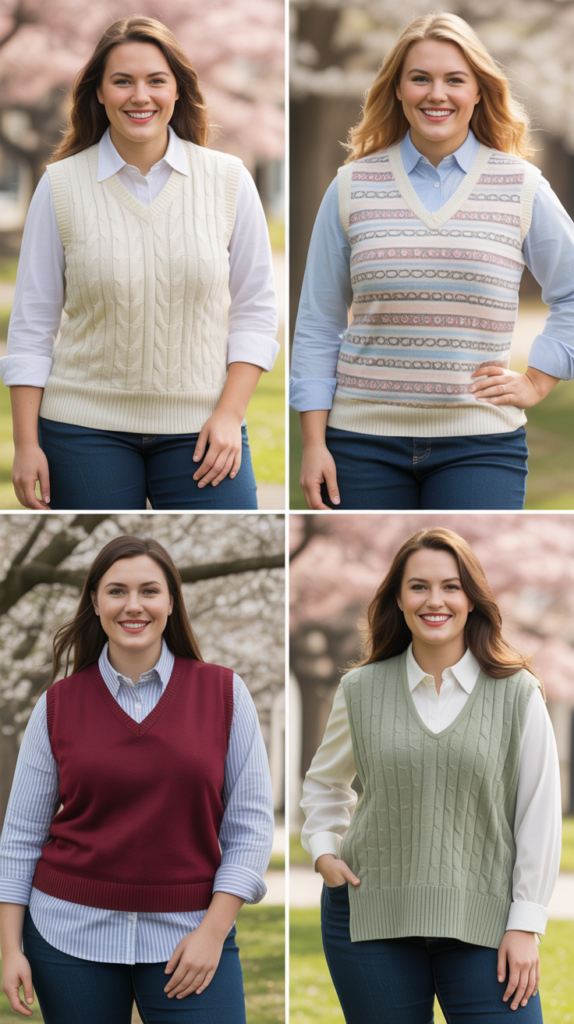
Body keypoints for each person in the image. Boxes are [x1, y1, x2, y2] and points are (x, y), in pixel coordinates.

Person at [290, 12, 574, 510]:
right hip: (359, 442)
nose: (435, 94)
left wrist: (537, 379)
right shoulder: (351, 187)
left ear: (479, 91)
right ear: (397, 89)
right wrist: (315, 444)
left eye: (454, 80)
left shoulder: (521, 186)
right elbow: (317, 323)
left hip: (481, 444)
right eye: (420, 78)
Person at [1, 16, 278, 511]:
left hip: (203, 430)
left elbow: (256, 311)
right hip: (81, 431)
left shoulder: (229, 180)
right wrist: (26, 444)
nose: (140, 96)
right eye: (122, 81)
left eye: (155, 80)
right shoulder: (60, 186)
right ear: (99, 93)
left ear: (178, 90)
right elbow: (31, 327)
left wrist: (229, 414)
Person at [0, 535, 274, 1023]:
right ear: (95, 602)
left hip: (191, 932)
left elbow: (250, 829)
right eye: (116, 591)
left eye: (149, 591)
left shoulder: (225, 694)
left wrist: (213, 933)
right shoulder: (57, 704)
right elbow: (20, 837)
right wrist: (10, 950)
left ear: (171, 601)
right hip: (67, 934)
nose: (133, 605)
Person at [301, 527, 561, 1023]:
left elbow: (539, 814)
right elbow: (324, 782)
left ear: (472, 599)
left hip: (485, 919)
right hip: (370, 912)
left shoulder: (518, 693)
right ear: (398, 599)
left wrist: (525, 924)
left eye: (450, 586)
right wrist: (322, 849)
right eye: (418, 586)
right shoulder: (361, 688)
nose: (434, 600)